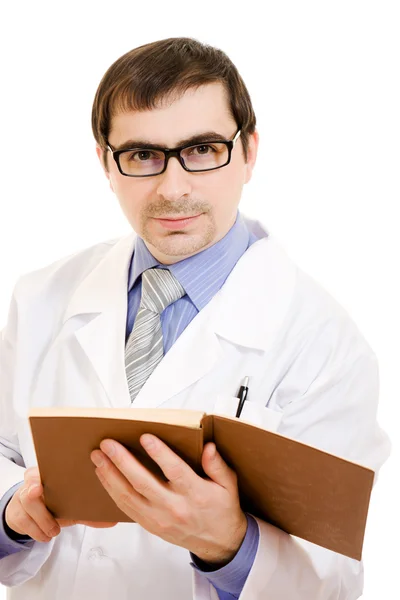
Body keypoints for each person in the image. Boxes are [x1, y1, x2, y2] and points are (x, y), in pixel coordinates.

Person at [0, 37, 390, 600]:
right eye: (142, 155)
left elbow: (331, 579)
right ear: (106, 164)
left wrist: (226, 543)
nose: (173, 187)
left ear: (249, 151)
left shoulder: (325, 343)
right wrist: (13, 509)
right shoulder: (41, 298)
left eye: (204, 149)